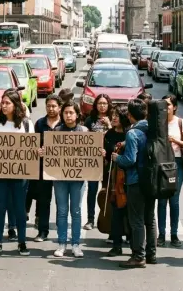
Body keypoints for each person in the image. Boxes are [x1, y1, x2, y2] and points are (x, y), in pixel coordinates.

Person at [0, 90, 34, 256]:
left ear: (16, 105)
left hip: (20, 174)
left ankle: (22, 242)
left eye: (7, 103)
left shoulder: (26, 124)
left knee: (20, 209)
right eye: (3, 103)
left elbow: (31, 147)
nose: (4, 106)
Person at [113, 99, 154, 268]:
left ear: (130, 115)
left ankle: (138, 256)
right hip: (152, 179)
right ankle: (151, 253)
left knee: (136, 219)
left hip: (136, 180)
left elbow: (130, 160)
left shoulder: (132, 133)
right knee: (149, 219)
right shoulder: (153, 128)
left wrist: (117, 158)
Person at [52, 100, 94, 258]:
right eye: (65, 112)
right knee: (62, 211)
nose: (68, 115)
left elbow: (90, 153)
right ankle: (62, 243)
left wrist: (98, 153)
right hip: (59, 177)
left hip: (78, 178)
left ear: (77, 115)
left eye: (71, 112)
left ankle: (75, 244)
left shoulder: (84, 131)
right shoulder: (56, 131)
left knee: (75, 211)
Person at [157, 94, 183, 248]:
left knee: (174, 199)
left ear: (175, 107)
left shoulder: (180, 122)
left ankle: (174, 234)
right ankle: (161, 234)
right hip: (162, 163)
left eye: (169, 105)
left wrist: (174, 140)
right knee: (162, 199)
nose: (166, 107)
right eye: (163, 105)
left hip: (176, 162)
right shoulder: (158, 122)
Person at [30, 95, 62, 243]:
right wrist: (38, 151)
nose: (51, 108)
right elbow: (33, 143)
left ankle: (63, 234)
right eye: (48, 105)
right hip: (43, 169)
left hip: (63, 169)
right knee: (43, 201)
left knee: (62, 203)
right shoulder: (39, 123)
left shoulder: (65, 124)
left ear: (59, 108)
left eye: (54, 106)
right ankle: (43, 231)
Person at [83, 94, 112, 230]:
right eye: (100, 103)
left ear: (109, 105)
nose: (102, 106)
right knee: (92, 190)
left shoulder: (112, 119)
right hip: (93, 161)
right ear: (95, 105)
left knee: (107, 191)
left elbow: (117, 135)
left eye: (105, 103)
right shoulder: (90, 120)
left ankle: (108, 221)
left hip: (109, 161)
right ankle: (90, 219)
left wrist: (109, 125)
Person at [106, 104, 131, 256]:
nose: (113, 118)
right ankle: (116, 244)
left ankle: (132, 240)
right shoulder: (109, 134)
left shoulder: (130, 134)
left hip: (128, 178)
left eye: (116, 115)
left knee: (130, 213)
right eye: (112, 115)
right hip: (113, 177)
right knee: (115, 212)